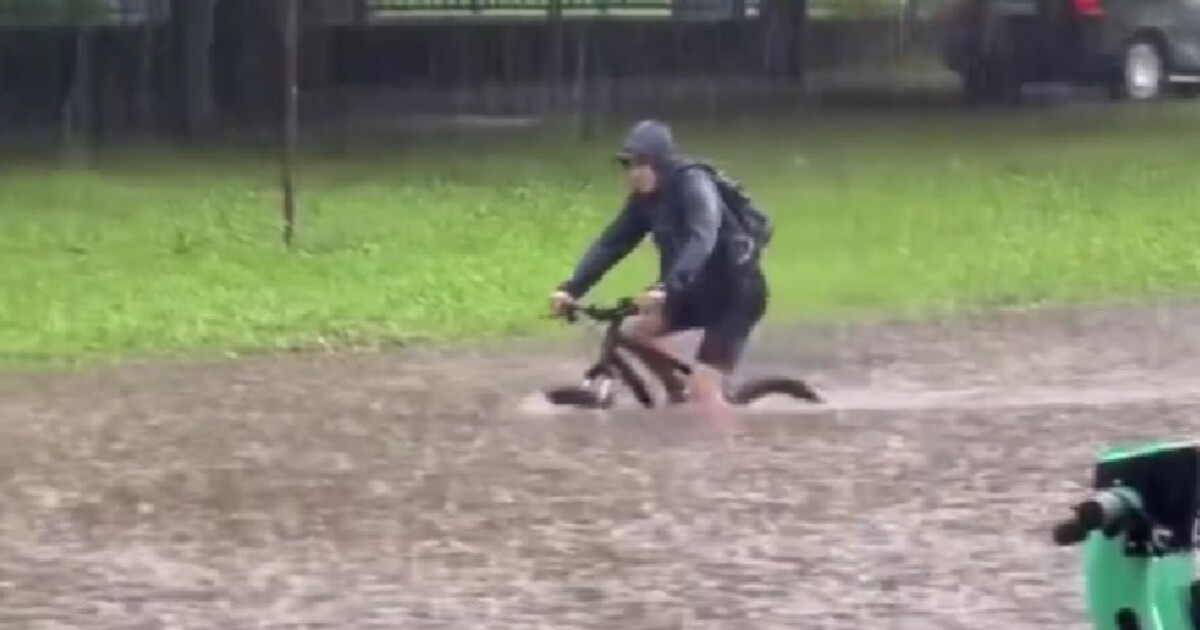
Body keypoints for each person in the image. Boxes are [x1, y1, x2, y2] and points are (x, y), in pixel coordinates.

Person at [549, 119, 769, 412]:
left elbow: (702, 235)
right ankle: (676, 397)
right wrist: (572, 288)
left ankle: (728, 445)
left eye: (641, 164)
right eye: (628, 165)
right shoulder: (644, 201)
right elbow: (611, 244)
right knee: (633, 335)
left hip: (734, 293)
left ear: (661, 164)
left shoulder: (693, 184)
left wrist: (667, 286)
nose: (634, 173)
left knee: (705, 396)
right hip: (692, 291)